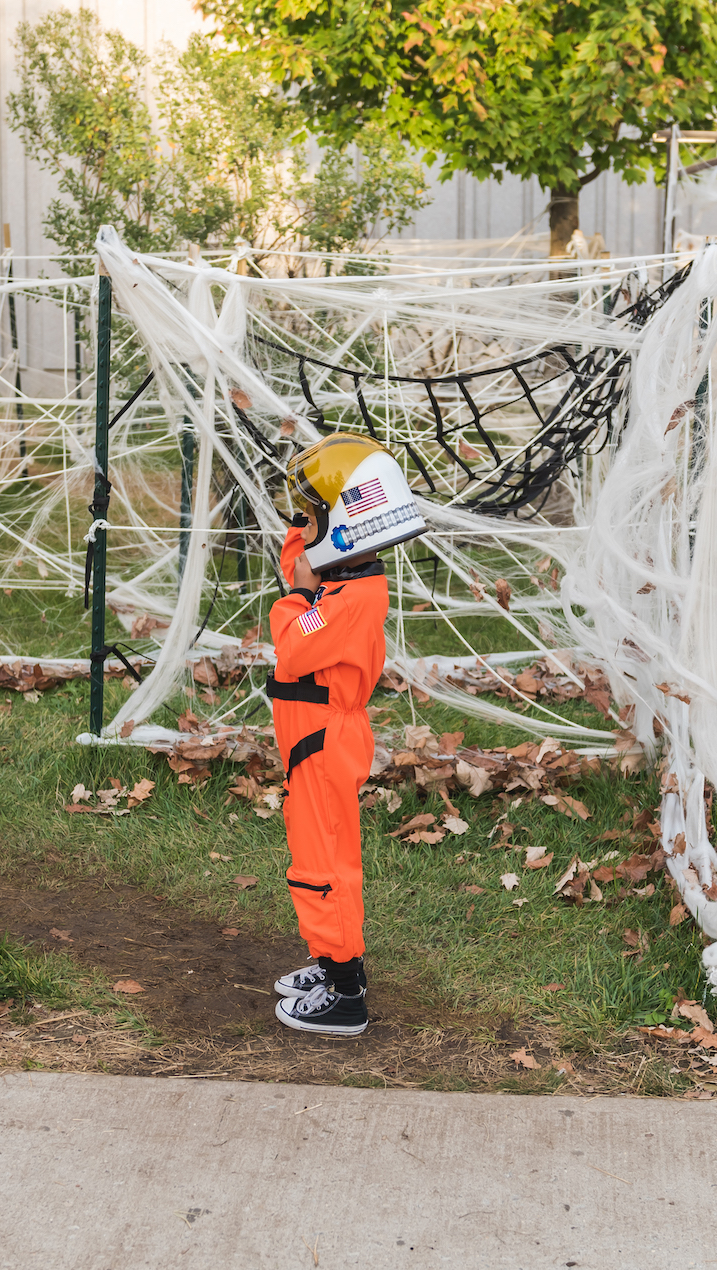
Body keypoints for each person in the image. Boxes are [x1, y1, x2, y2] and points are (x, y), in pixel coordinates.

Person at [267, 432, 426, 1036]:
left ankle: (345, 991)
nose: (302, 532)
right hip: (313, 743)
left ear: (345, 521)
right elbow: (299, 568)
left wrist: (300, 596)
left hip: (324, 742)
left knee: (326, 862)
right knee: (314, 855)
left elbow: (291, 642)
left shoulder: (349, 600)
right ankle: (330, 958)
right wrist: (303, 535)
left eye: (312, 516)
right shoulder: (341, 585)